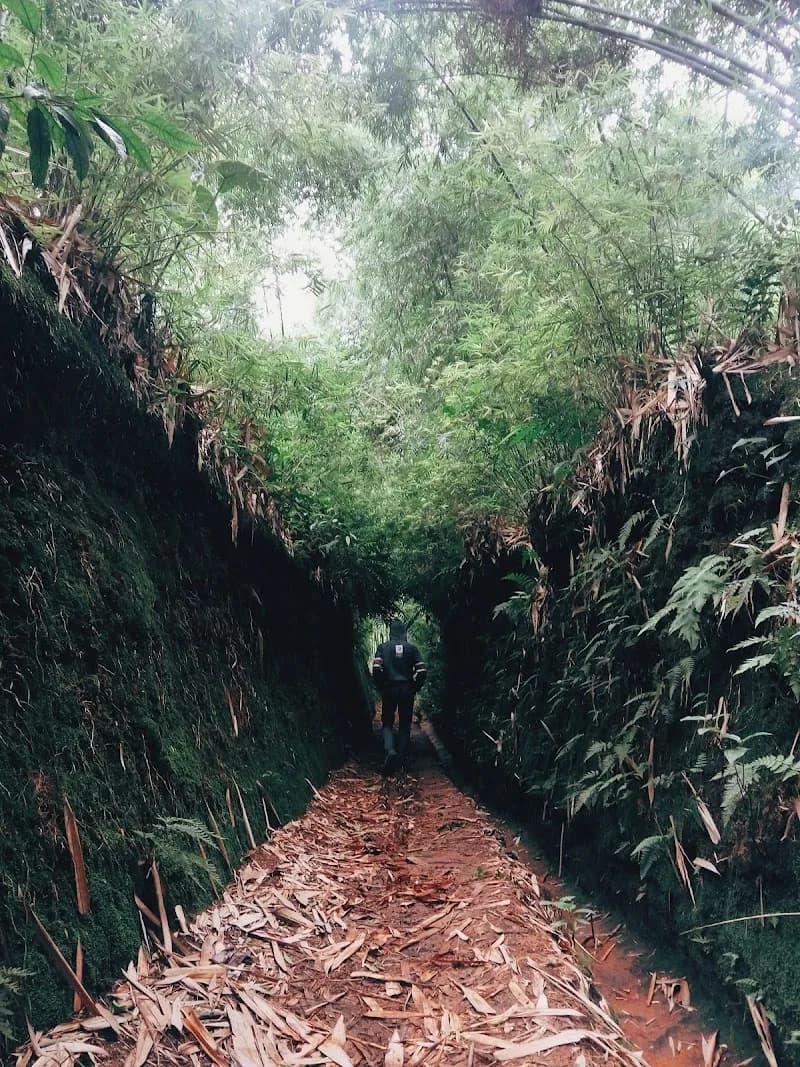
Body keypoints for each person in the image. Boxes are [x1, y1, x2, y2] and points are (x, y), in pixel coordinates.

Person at [372, 619, 427, 775]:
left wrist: (381, 685)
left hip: (389, 689)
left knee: (387, 722)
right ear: (404, 633)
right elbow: (422, 670)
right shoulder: (412, 649)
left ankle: (390, 751)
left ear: (390, 632)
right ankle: (402, 760)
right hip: (407, 690)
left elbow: (376, 667)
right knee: (404, 724)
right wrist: (415, 686)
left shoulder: (383, 647)